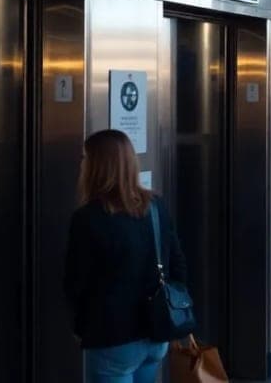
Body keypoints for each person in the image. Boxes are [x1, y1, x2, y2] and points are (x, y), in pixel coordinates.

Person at [65, 129, 187, 383]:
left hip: (113, 336)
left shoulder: (88, 218)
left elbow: (77, 282)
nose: (82, 164)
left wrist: (79, 326)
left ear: (97, 166)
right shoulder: (155, 207)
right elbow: (178, 265)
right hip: (156, 331)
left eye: (85, 158)